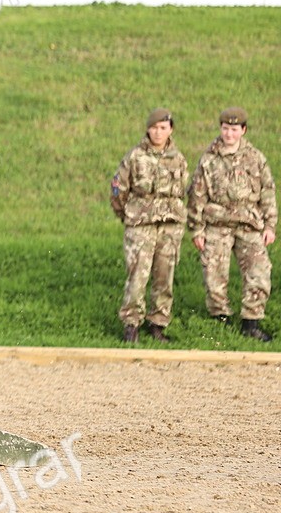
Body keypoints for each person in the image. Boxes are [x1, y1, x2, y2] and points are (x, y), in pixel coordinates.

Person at [187, 107, 276, 342]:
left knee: (259, 272)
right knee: (214, 275)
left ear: (243, 131)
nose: (229, 134)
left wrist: (270, 226)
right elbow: (197, 195)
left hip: (249, 224)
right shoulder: (208, 160)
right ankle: (220, 318)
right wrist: (197, 229)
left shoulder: (255, 158)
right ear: (220, 129)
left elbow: (267, 192)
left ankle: (251, 321)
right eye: (225, 129)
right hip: (217, 225)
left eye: (234, 129)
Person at [110, 109, 187, 343]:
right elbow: (118, 189)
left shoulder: (178, 158)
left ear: (170, 130)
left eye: (163, 127)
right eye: (154, 127)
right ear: (147, 129)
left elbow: (184, 190)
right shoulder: (134, 156)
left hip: (169, 226)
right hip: (141, 225)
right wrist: (127, 214)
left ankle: (158, 324)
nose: (158, 132)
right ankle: (131, 325)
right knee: (137, 276)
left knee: (164, 277)